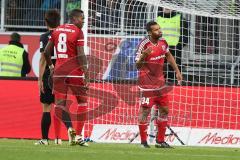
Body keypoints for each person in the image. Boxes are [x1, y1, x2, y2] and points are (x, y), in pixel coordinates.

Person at [44, 9, 88, 146]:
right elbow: (80, 54)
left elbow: (46, 52)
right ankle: (79, 136)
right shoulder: (78, 31)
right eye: (82, 19)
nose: (84, 22)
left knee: (59, 105)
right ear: (75, 19)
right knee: (82, 102)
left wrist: (51, 67)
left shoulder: (57, 30)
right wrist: (86, 72)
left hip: (59, 72)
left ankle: (60, 136)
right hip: (74, 72)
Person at [135, 21, 182, 148]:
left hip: (160, 84)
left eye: (160, 29)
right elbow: (137, 66)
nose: (160, 31)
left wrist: (177, 71)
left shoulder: (163, 42)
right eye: (156, 30)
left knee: (164, 110)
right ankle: (143, 142)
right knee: (145, 111)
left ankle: (160, 141)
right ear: (150, 32)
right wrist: (144, 55)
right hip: (147, 85)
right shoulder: (143, 44)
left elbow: (169, 56)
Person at [35, 9, 62, 145]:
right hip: (61, 73)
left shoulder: (44, 37)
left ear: (46, 22)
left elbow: (42, 59)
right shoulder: (63, 35)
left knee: (46, 107)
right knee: (60, 106)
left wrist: (39, 79)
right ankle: (58, 139)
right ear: (59, 21)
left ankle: (44, 139)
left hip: (48, 74)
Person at [156, 8, 189, 83]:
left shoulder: (180, 18)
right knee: (160, 67)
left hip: (175, 47)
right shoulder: (157, 18)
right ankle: (160, 84)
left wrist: (180, 45)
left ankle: (176, 84)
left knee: (174, 67)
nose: (167, 7)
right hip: (161, 48)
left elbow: (185, 34)